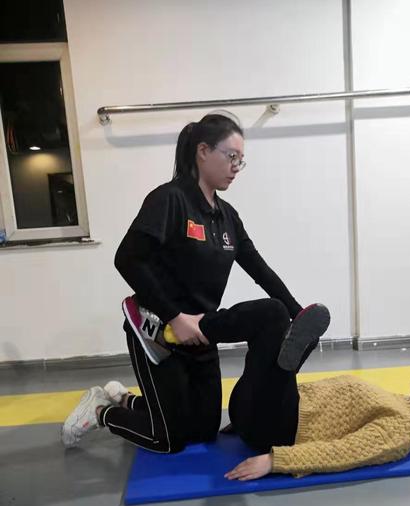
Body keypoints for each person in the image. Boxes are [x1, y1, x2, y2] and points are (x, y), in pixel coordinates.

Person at [61, 113, 330, 450]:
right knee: (169, 439)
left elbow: (259, 269)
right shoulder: (169, 199)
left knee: (203, 430)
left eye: (241, 160)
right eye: (231, 157)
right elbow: (127, 259)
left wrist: (298, 314)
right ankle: (101, 410)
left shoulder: (227, 216)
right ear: (203, 151)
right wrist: (174, 316)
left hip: (201, 334)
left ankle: (127, 400)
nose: (236, 167)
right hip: (158, 331)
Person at [223, 370, 410, 482]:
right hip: (270, 411)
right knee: (271, 321)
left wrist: (274, 461)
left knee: (273, 317)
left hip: (278, 424)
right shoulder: (397, 402)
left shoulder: (405, 427)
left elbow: (344, 452)